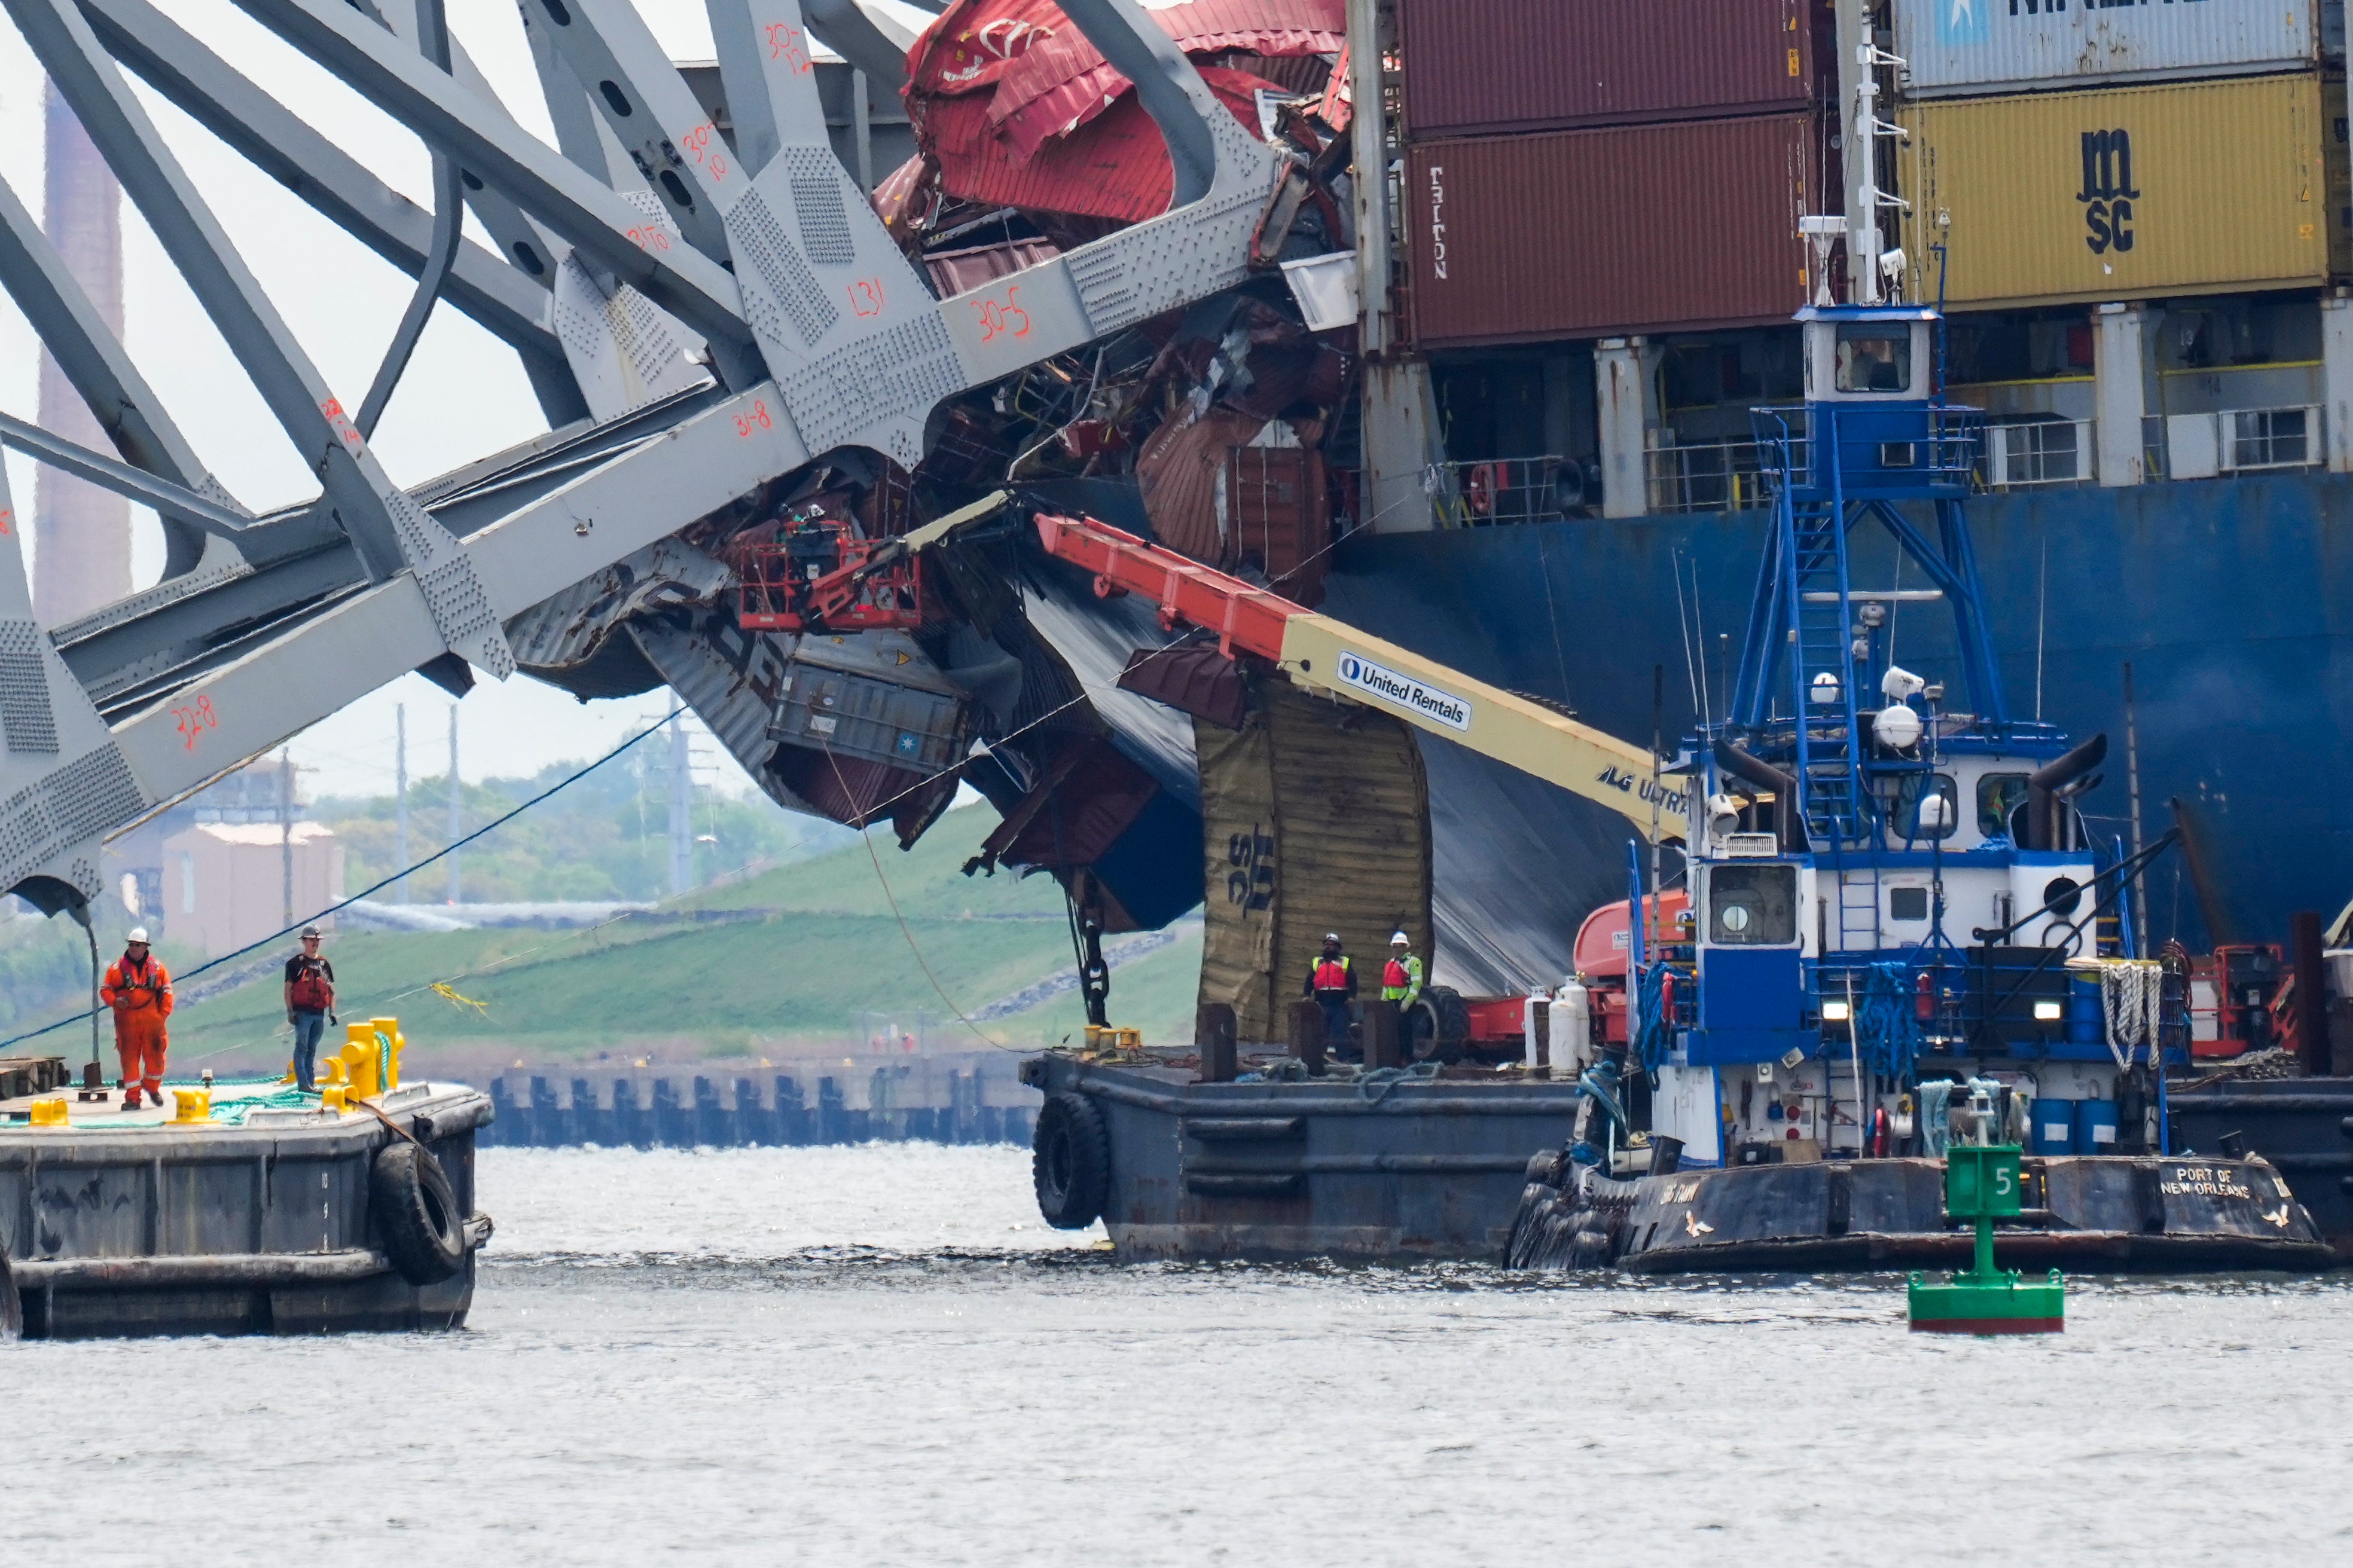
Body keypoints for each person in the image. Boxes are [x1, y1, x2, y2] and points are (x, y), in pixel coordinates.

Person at [100, 927, 173, 1110]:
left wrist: (161, 1016)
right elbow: (105, 990)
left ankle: (152, 1086)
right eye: (132, 945)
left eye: (138, 945)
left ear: (146, 947)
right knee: (129, 1061)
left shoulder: (158, 969)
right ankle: (133, 1099)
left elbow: (167, 992)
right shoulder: (116, 970)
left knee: (156, 1060)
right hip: (127, 1023)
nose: (134, 948)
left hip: (153, 1022)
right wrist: (116, 1001)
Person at [283, 924, 337, 1092]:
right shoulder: (294, 964)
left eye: (317, 940)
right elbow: (288, 990)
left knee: (312, 1048)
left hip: (319, 1014)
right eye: (312, 940)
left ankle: (310, 1083)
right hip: (302, 1013)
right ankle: (304, 1084)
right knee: (302, 1046)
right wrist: (290, 1011)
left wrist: (332, 1012)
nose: (315, 943)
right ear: (304, 941)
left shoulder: (323, 964)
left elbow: (331, 990)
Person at [1303, 932, 1356, 1056]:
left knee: (1340, 1031)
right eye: (1327, 944)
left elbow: (1353, 980)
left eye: (1332, 945)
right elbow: (1309, 980)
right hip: (1321, 1002)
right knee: (1321, 1032)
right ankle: (1320, 1058)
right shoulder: (1317, 962)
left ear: (1338, 948)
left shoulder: (1345, 962)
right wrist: (1306, 995)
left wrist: (1352, 997)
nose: (1329, 947)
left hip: (1340, 1003)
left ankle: (1343, 1059)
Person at [1380, 930, 1424, 1016]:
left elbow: (1416, 984)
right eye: (1395, 947)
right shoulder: (1391, 964)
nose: (1398, 950)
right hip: (1391, 1005)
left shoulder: (1414, 962)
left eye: (1400, 946)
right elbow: (1387, 986)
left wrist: (1407, 1003)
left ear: (1406, 947)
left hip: (1407, 1006)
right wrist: (1384, 1002)